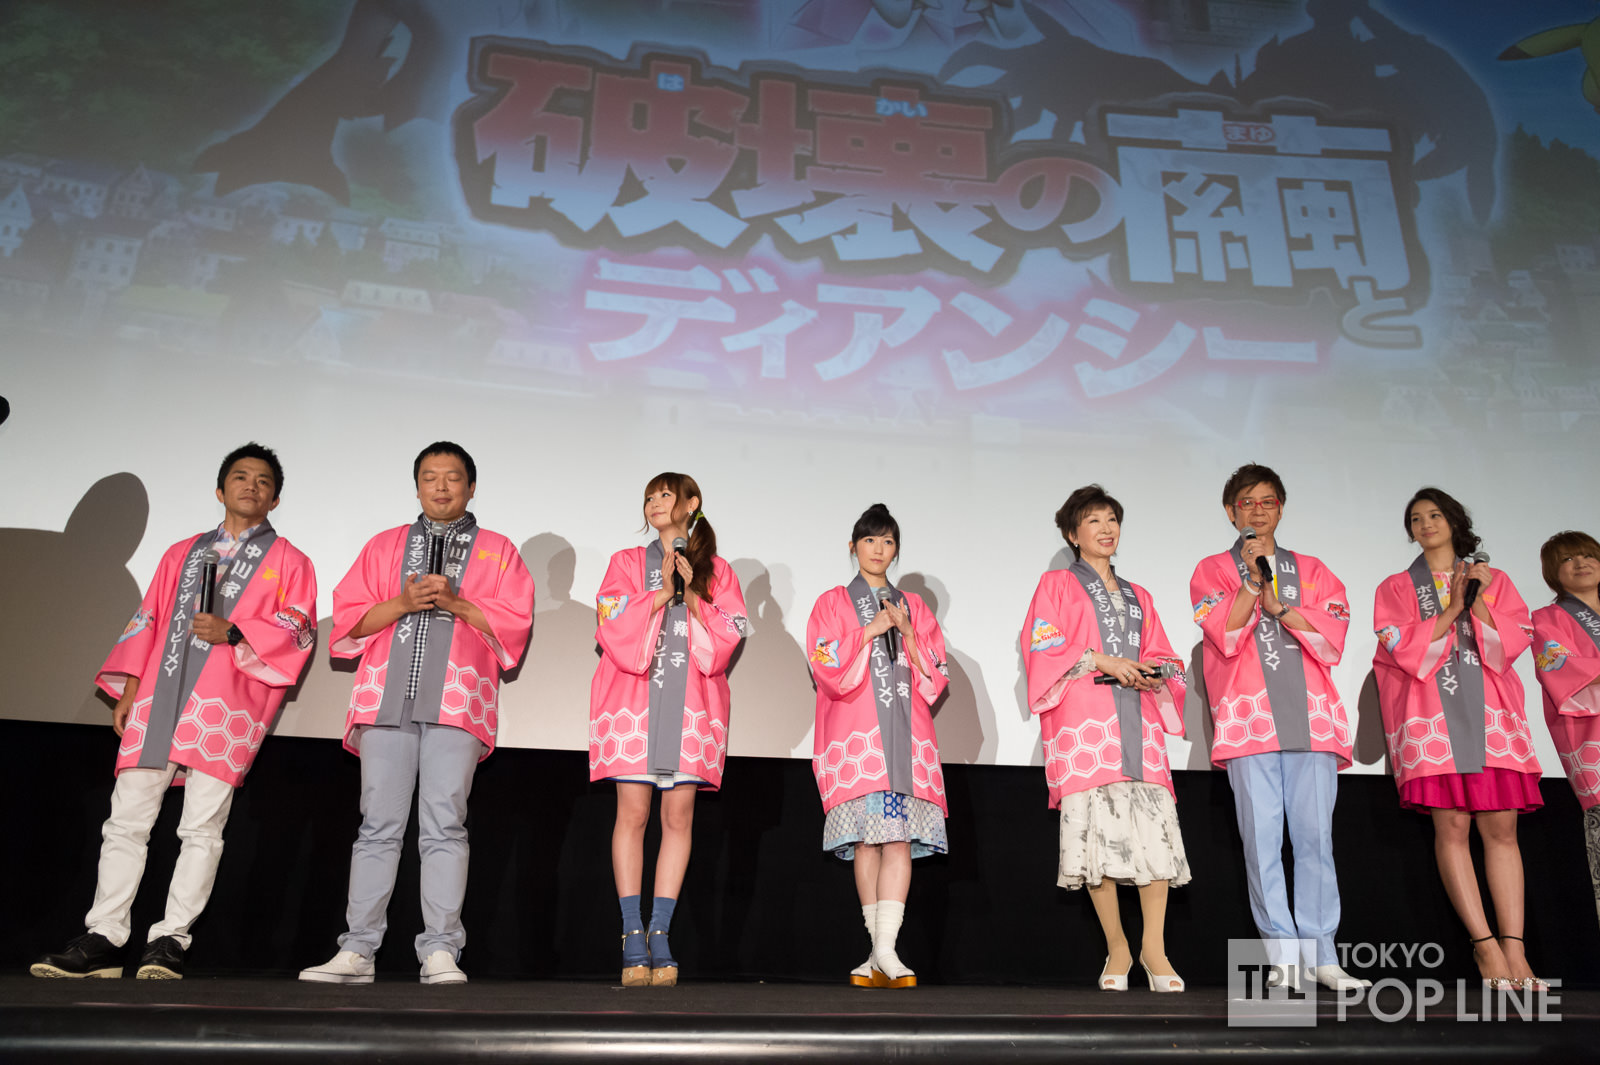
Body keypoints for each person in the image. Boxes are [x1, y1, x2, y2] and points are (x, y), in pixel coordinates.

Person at [32, 444, 317, 980]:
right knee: (125, 821)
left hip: (226, 704)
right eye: (240, 476)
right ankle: (104, 937)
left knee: (202, 827)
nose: (251, 486)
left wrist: (236, 632)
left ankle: (170, 939)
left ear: (275, 499)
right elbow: (150, 616)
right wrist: (129, 689)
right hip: (158, 697)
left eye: (263, 481)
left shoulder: (291, 562)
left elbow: (299, 627)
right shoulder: (181, 553)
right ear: (220, 490)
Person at [299, 442, 533, 986]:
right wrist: (403, 603)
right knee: (377, 826)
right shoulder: (385, 545)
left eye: (453, 477)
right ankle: (358, 950)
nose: (441, 487)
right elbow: (349, 623)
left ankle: (441, 949)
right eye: (430, 477)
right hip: (385, 700)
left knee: (445, 824)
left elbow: (515, 624)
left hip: (457, 701)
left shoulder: (498, 550)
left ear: (471, 487)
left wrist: (456, 603)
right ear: (418, 486)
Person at [1189, 464, 1368, 991]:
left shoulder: (1313, 569)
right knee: (1262, 841)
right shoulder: (1211, 569)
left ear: (1281, 508)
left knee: (1316, 839)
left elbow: (1333, 634)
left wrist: (1281, 607)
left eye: (1268, 501)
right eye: (1247, 503)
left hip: (1312, 719)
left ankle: (1323, 954)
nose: (1258, 511)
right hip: (1249, 722)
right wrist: (1250, 583)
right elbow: (1221, 630)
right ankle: (1283, 956)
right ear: (1231, 513)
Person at [1372, 487, 1545, 991]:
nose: (1426, 524)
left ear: (1454, 522)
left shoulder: (1494, 579)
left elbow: (1512, 644)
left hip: (1490, 713)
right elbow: (1401, 648)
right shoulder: (1395, 587)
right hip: (1432, 717)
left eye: (1435, 515)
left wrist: (1480, 599)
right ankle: (1484, 947)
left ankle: (1516, 949)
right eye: (1416, 518)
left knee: (1502, 831)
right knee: (1451, 828)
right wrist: (1450, 609)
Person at [1020, 485, 1189, 992]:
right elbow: (1044, 645)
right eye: (1093, 520)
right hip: (1086, 724)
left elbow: (1164, 653)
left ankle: (1154, 949)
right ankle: (1117, 946)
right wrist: (1101, 660)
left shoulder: (1140, 596)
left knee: (1154, 835)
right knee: (1099, 840)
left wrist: (1157, 674)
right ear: (1073, 534)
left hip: (1140, 722)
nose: (1106, 528)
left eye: (1112, 519)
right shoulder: (1055, 584)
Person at [590, 472, 747, 987]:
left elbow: (731, 633)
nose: (655, 503)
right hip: (633, 703)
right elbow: (610, 623)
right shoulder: (625, 563)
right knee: (632, 814)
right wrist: (660, 593)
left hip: (691, 707)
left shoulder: (718, 570)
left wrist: (692, 594)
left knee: (678, 818)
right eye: (649, 497)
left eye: (665, 494)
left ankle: (661, 931)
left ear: (691, 503)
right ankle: (631, 931)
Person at [806, 504, 950, 989]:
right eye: (870, 540)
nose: (878, 549)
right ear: (853, 546)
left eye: (888, 542)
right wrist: (868, 631)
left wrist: (907, 632)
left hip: (907, 738)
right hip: (858, 738)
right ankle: (880, 951)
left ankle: (883, 950)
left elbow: (937, 675)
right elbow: (824, 661)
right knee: (866, 841)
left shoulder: (914, 606)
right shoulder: (832, 603)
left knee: (898, 838)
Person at [1530, 531, 1600, 932]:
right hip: (1591, 736)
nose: (1580, 563)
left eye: (1588, 555)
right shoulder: (1547, 619)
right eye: (1567, 559)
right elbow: (1561, 669)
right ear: (1553, 573)